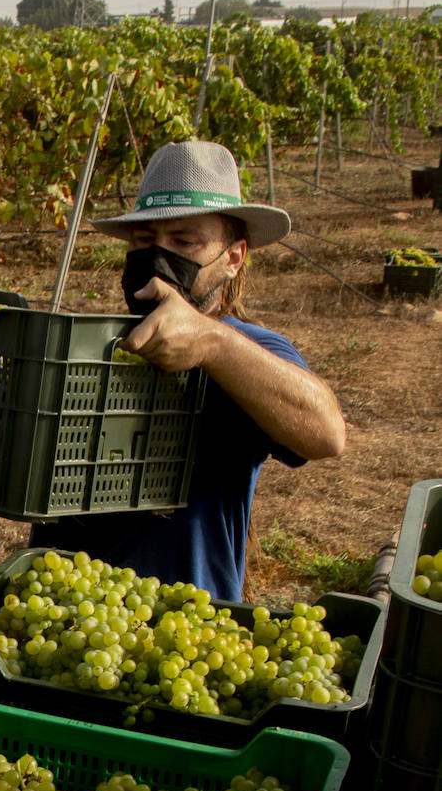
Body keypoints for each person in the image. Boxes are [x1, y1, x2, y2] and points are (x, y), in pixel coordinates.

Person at [29, 139, 346, 602]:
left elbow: (327, 433)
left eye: (183, 241)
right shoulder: (88, 344)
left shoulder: (248, 349)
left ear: (233, 258)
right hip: (63, 612)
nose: (158, 256)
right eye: (144, 240)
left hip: (184, 629)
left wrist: (212, 342)